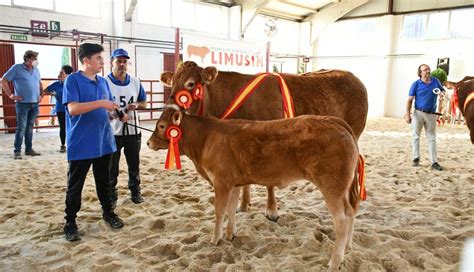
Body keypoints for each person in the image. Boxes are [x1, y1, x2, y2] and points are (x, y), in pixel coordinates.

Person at [62, 43, 124, 242]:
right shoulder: (73, 80)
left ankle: (108, 212)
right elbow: (72, 109)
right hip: (81, 143)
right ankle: (70, 221)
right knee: (75, 184)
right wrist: (102, 104)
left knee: (104, 182)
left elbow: (107, 112)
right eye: (98, 58)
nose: (102, 62)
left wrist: (115, 115)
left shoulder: (103, 82)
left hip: (104, 141)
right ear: (86, 60)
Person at [105, 48, 147, 207]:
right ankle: (111, 193)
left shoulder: (136, 81)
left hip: (133, 129)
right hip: (112, 131)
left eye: (124, 62)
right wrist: (114, 113)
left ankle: (135, 190)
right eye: (118, 61)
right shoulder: (105, 82)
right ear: (112, 63)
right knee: (111, 166)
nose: (122, 64)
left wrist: (136, 105)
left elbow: (143, 102)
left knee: (134, 163)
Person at [1, 50, 43, 159]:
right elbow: (4, 80)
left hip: (35, 103)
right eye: (34, 59)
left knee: (30, 127)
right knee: (21, 127)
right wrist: (10, 95)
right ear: (27, 59)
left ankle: (28, 149)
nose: (36, 61)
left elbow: (39, 83)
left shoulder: (36, 70)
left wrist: (41, 94)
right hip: (22, 103)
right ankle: (17, 151)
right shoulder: (17, 68)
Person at [404, 64, 444, 171]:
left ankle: (434, 162)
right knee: (416, 136)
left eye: (428, 69)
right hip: (418, 113)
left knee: (431, 137)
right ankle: (415, 158)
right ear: (420, 73)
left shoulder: (436, 81)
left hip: (431, 114)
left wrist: (442, 94)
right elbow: (409, 100)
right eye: (425, 70)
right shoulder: (416, 84)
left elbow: (442, 90)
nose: (427, 71)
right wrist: (407, 114)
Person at [44, 65, 74, 152]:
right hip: (60, 108)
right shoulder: (56, 84)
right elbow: (46, 90)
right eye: (59, 73)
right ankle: (63, 145)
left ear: (67, 74)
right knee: (63, 127)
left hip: (71, 108)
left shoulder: (72, 83)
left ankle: (71, 144)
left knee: (72, 126)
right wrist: (54, 95)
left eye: (61, 73)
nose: (59, 74)